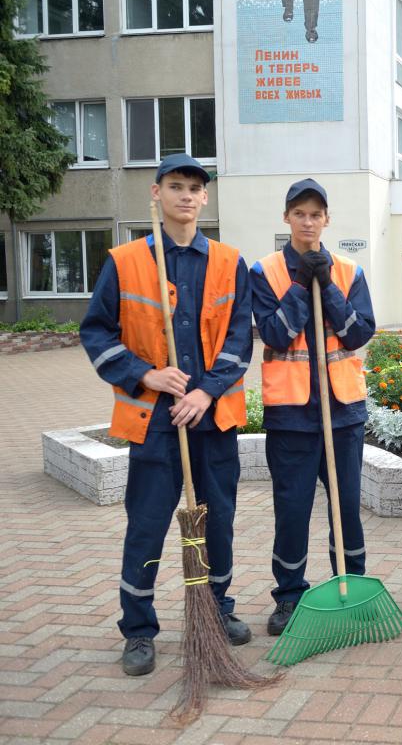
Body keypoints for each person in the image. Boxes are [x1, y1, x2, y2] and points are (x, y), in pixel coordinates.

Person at [80, 154, 253, 676]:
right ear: (156, 193)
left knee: (217, 518)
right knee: (148, 523)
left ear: (204, 199)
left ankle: (217, 609)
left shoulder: (228, 261)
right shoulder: (127, 260)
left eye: (194, 188)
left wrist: (207, 392)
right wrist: (145, 375)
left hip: (211, 418)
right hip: (154, 422)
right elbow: (96, 332)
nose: (185, 195)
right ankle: (138, 629)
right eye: (175, 186)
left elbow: (240, 337)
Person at [249, 178, 376, 635]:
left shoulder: (348, 270)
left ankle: (352, 584)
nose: (308, 221)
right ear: (287, 218)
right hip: (292, 414)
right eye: (299, 213)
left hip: (343, 411)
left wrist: (327, 283)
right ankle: (289, 596)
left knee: (346, 507)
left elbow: (359, 332)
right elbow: (276, 334)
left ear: (327, 219)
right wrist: (303, 284)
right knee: (292, 507)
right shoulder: (264, 272)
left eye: (316, 214)